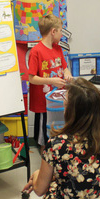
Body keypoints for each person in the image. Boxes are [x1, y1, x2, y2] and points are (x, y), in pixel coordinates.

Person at [27, 13, 71, 147]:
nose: (61, 35)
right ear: (53, 31)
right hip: (43, 105)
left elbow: (65, 68)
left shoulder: (58, 48)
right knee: (44, 140)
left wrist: (68, 74)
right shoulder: (36, 51)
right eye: (60, 31)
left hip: (57, 102)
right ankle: (46, 165)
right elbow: (31, 78)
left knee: (57, 135)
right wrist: (52, 81)